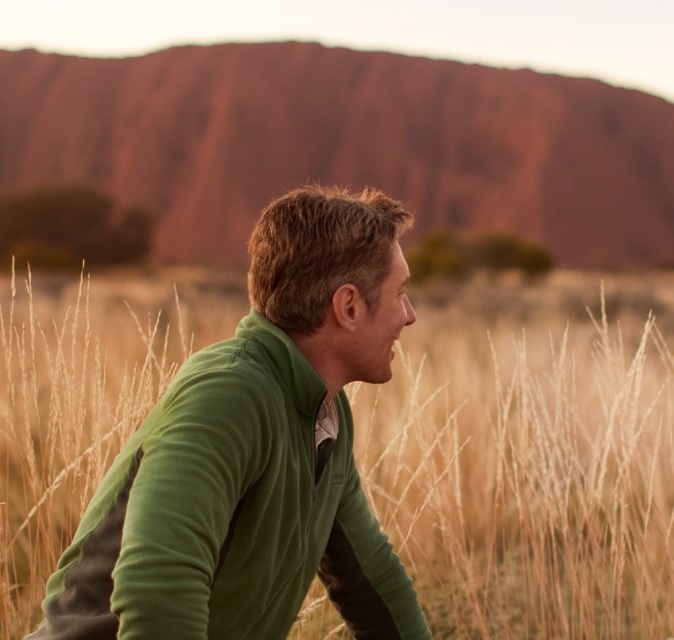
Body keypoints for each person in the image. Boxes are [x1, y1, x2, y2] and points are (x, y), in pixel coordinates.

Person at [30, 185, 431, 639]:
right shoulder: (230, 394)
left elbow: (372, 583)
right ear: (349, 307)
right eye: (400, 293)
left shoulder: (323, 411)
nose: (409, 315)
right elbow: (157, 590)